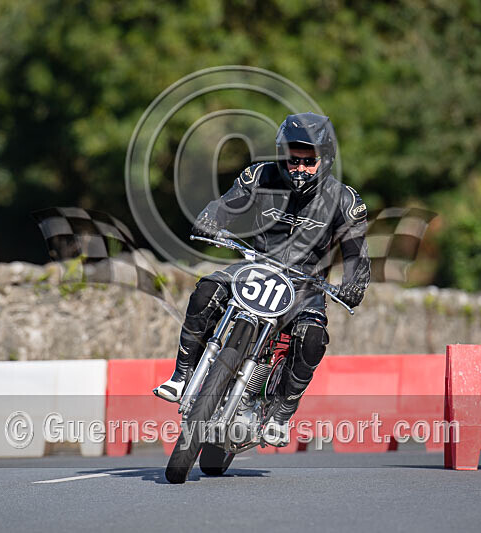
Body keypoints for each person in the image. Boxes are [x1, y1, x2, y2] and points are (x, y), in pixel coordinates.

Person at [155, 112, 370, 446]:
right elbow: (224, 207)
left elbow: (356, 253)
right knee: (205, 291)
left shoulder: (345, 200)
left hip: (305, 286)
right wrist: (210, 219)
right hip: (254, 268)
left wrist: (355, 282)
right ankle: (182, 376)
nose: (298, 168)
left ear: (325, 160)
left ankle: (282, 414)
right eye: (292, 159)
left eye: (308, 161)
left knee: (313, 337)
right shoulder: (258, 176)